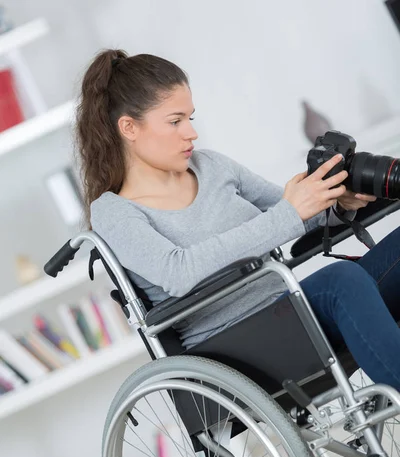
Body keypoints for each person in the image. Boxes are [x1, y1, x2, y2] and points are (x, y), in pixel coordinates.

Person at [76, 49, 400, 391]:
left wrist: (337, 205)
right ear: (129, 127)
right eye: (175, 121)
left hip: (293, 309)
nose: (191, 133)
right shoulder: (114, 211)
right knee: (340, 280)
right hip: (237, 347)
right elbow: (178, 272)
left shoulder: (211, 166)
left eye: (190, 118)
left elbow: (294, 217)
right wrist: (290, 212)